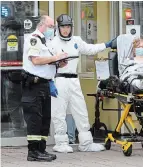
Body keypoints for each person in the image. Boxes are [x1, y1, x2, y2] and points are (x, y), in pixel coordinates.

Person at [50, 14, 114, 153]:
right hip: (59, 79)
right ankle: (61, 142)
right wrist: (50, 82)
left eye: (68, 27)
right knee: (58, 112)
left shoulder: (76, 40)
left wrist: (106, 45)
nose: (65, 30)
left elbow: (89, 49)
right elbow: (47, 64)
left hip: (74, 79)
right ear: (58, 28)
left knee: (81, 110)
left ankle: (86, 142)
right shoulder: (52, 42)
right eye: (63, 27)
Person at [21, 15, 68, 161]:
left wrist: (59, 63)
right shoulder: (34, 39)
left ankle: (41, 149)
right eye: (51, 26)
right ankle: (33, 152)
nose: (53, 29)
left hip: (45, 84)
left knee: (44, 119)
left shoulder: (46, 42)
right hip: (34, 85)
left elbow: (46, 61)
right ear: (42, 25)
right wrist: (55, 58)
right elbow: (35, 60)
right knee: (35, 119)